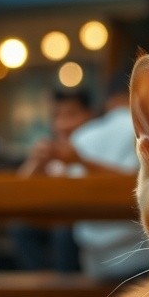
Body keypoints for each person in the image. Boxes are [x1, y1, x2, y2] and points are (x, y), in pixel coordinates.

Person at [51, 69, 149, 282]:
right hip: (144, 260)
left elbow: (65, 195)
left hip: (95, 263)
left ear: (108, 99)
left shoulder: (82, 136)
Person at [13, 88, 93, 271]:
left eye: (71, 115)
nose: (62, 124)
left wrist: (79, 160)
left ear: (89, 115)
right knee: (22, 228)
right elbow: (17, 193)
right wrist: (36, 163)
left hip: (89, 223)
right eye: (56, 116)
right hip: (57, 220)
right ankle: (42, 285)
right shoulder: (50, 152)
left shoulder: (95, 148)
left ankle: (66, 287)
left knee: (64, 231)